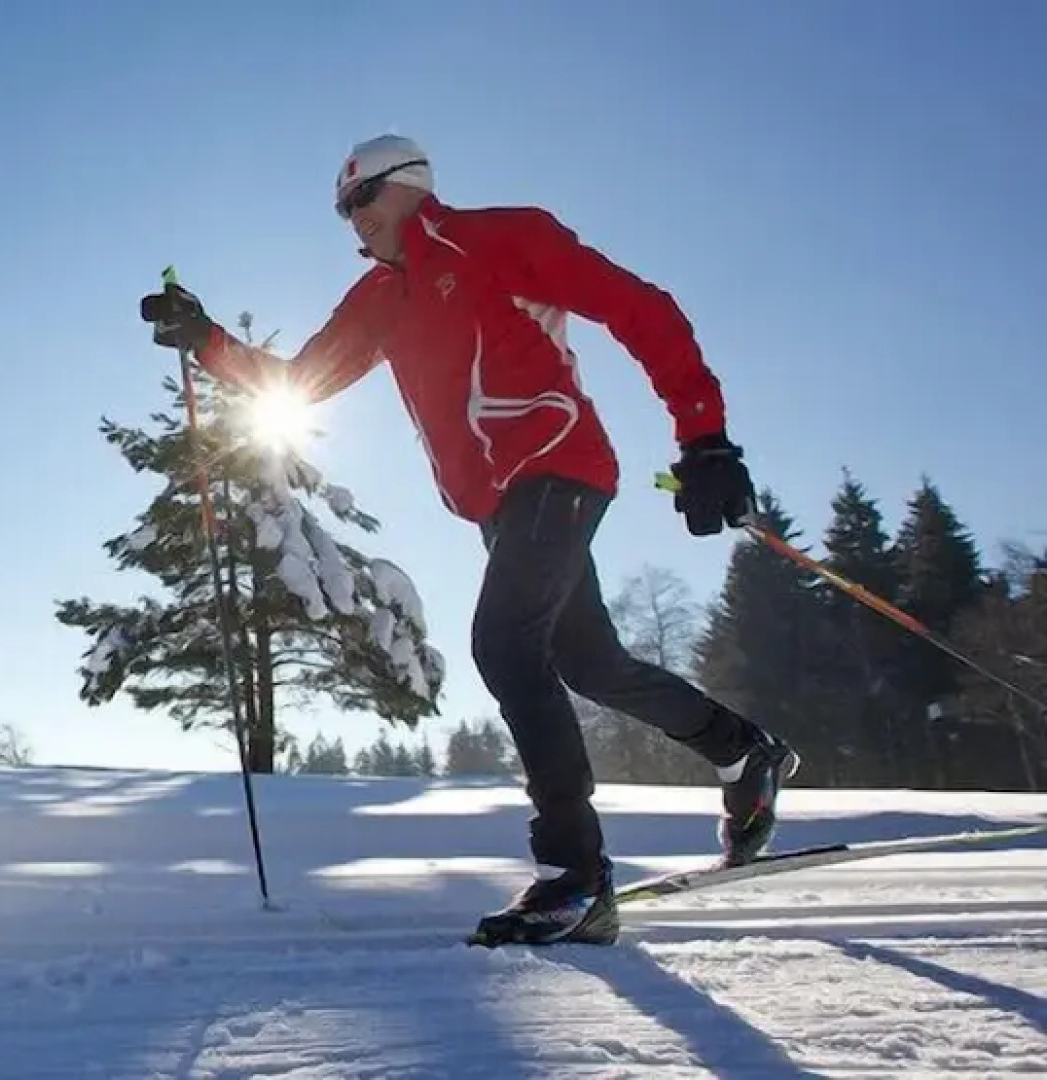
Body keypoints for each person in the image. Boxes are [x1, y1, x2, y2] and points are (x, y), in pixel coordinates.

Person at [138, 134, 799, 946]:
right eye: (343, 211)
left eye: (359, 202)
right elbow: (295, 381)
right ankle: (743, 752)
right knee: (590, 662)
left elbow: (643, 309)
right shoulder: (377, 300)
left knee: (505, 644)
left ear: (406, 185)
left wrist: (705, 440)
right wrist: (203, 336)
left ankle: (576, 876)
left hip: (561, 467)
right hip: (499, 505)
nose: (352, 224)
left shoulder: (501, 238)